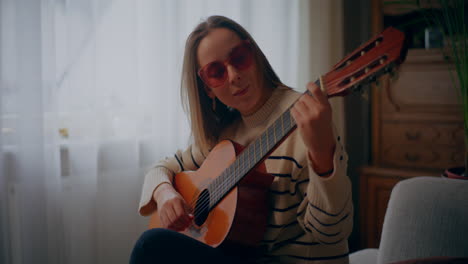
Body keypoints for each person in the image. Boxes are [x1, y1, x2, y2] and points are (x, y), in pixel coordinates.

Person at [130, 15, 353, 264]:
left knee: (152, 245)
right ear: (207, 89)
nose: (234, 75)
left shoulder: (307, 118)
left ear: (254, 55)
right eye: (216, 72)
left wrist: (322, 154)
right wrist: (164, 193)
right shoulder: (223, 137)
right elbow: (160, 169)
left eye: (239, 58)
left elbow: (331, 233)